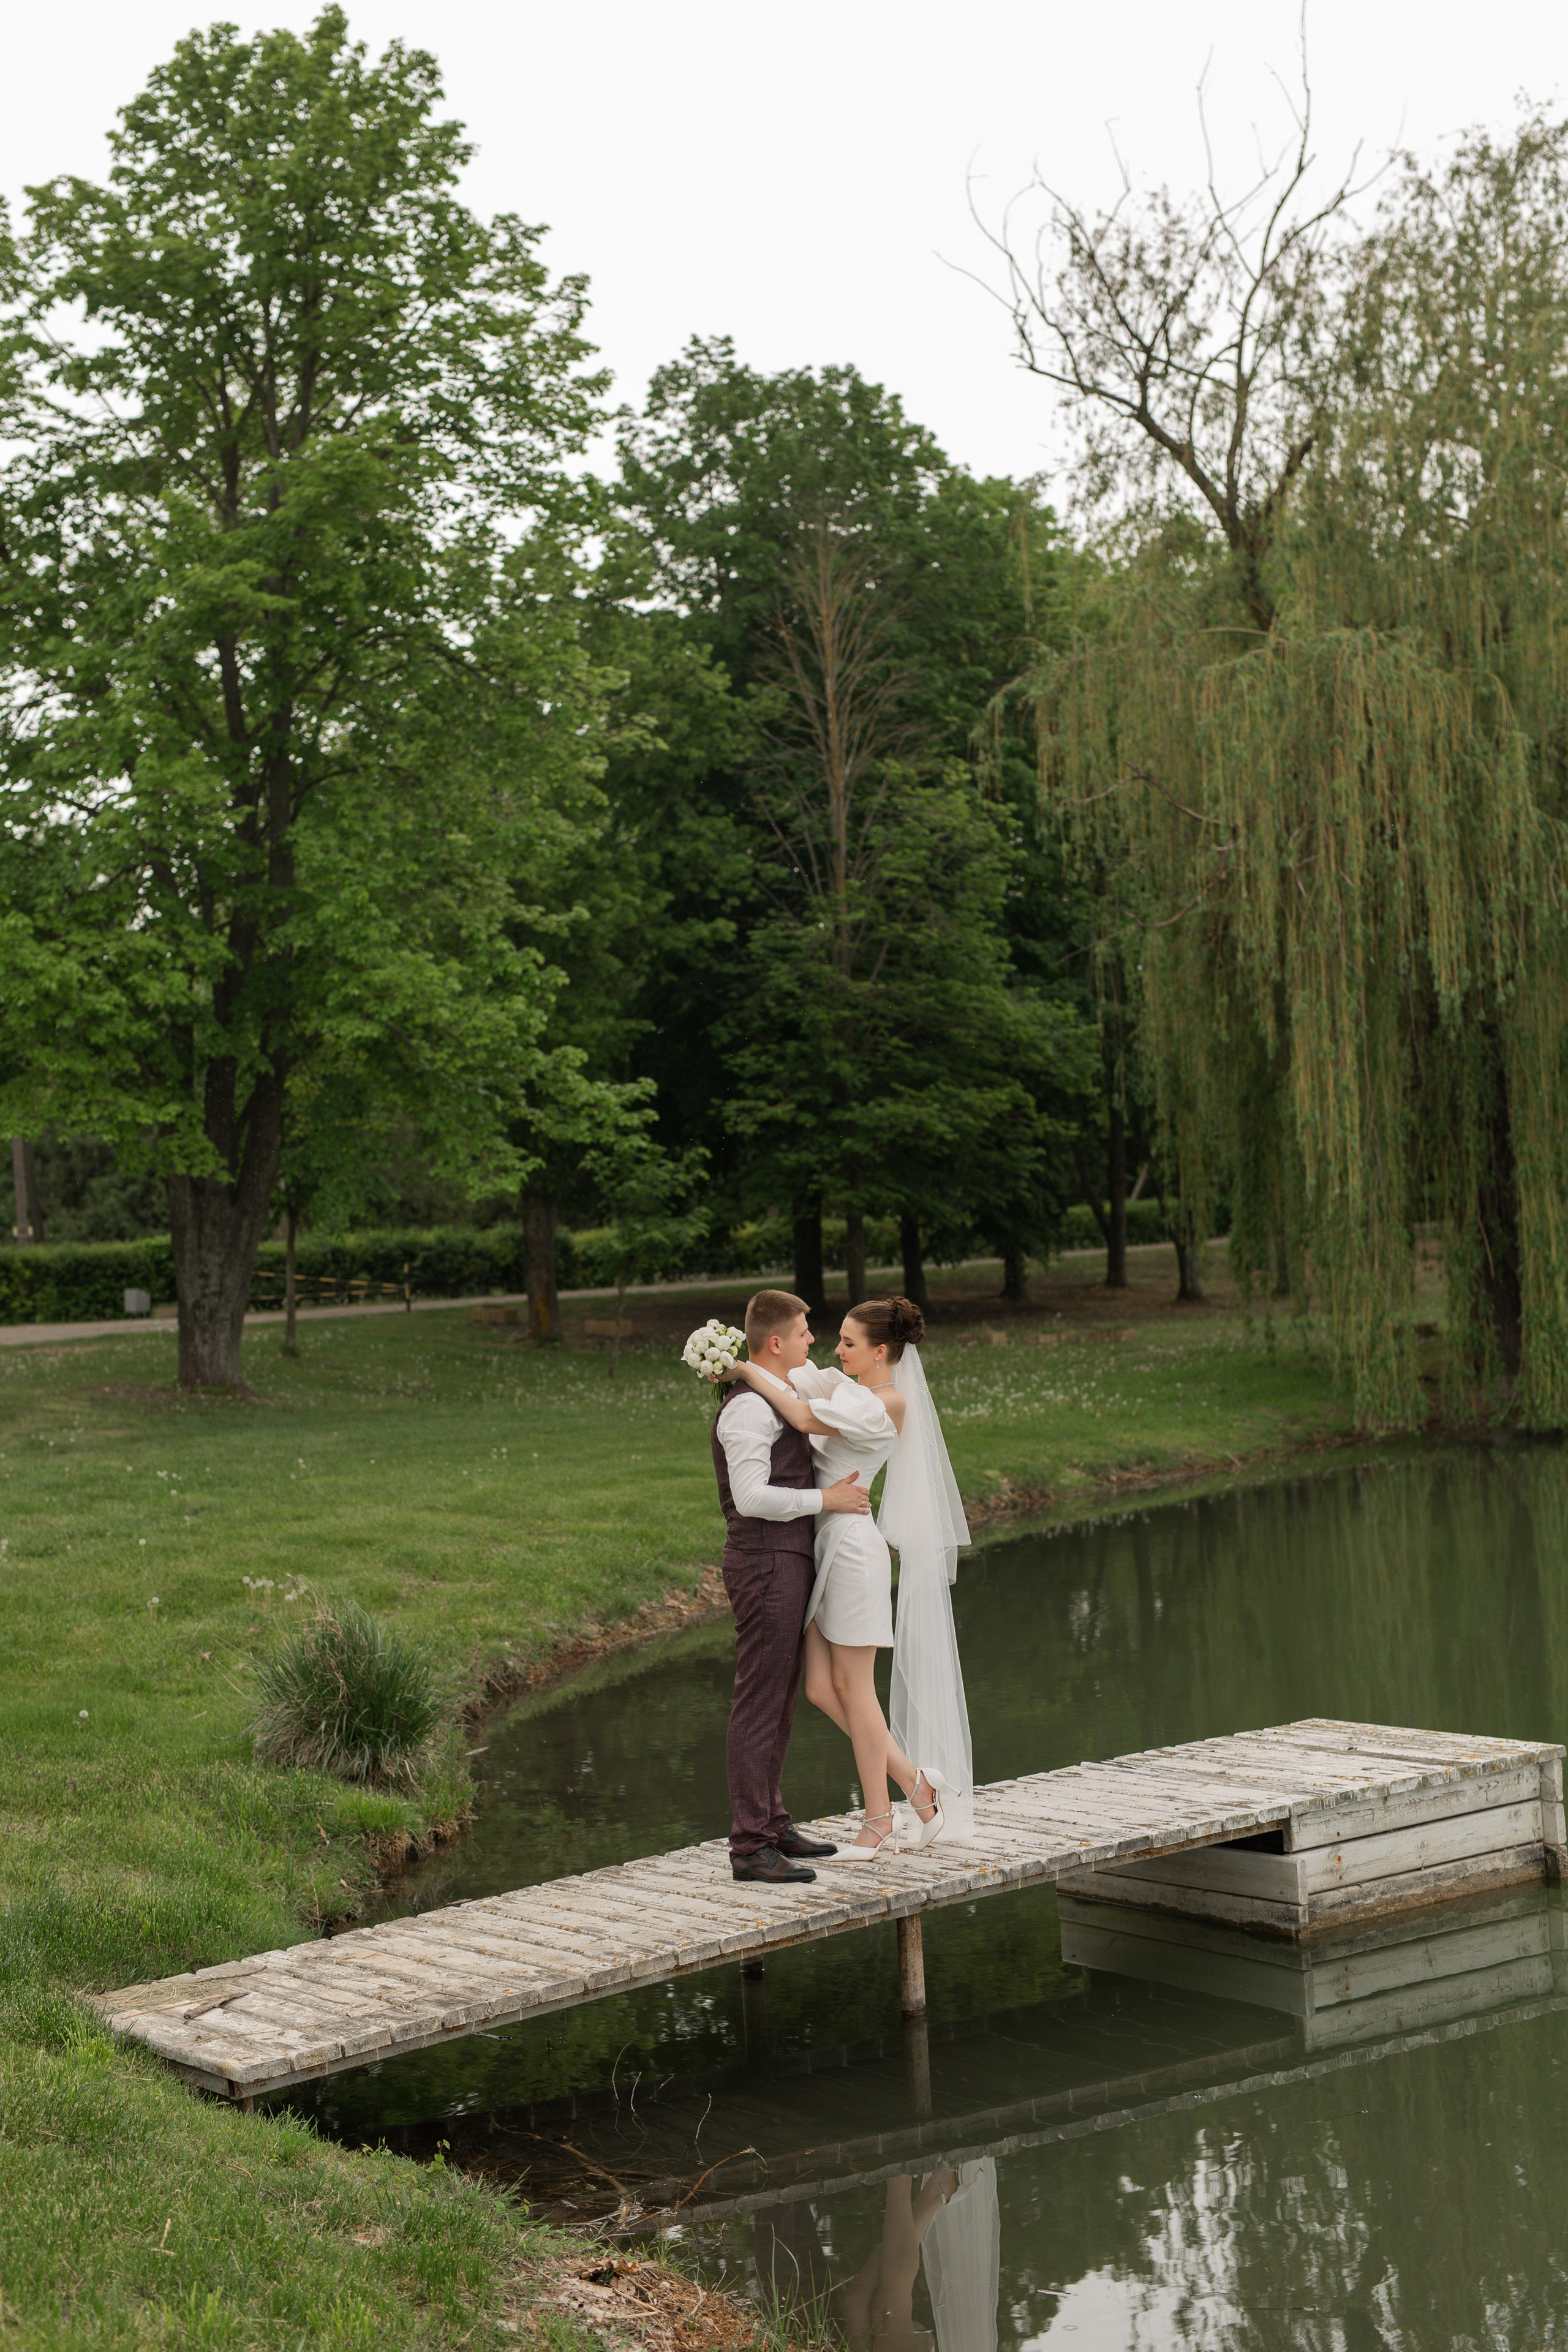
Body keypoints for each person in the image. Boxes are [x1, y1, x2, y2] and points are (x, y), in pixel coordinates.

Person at [726, 1294, 973, 1860]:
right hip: (823, 1543)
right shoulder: (852, 1390)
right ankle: (919, 1784)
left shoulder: (885, 1404)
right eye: (833, 1337)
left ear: (880, 1351)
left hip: (853, 1548)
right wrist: (753, 1364)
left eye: (848, 1342)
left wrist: (743, 1370)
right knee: (819, 1688)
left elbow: (805, 1416)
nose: (836, 1349)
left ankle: (880, 1817)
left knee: (856, 1691)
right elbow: (804, 1380)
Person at [711, 1289, 872, 1884]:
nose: (812, 1341)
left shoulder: (778, 1391)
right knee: (759, 1698)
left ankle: (772, 1823)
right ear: (776, 1342)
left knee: (778, 1696)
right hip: (763, 1563)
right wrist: (826, 1500)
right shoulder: (748, 1410)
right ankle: (750, 1846)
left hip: (786, 1559)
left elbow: (822, 1385)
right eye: (804, 1333)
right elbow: (752, 1498)